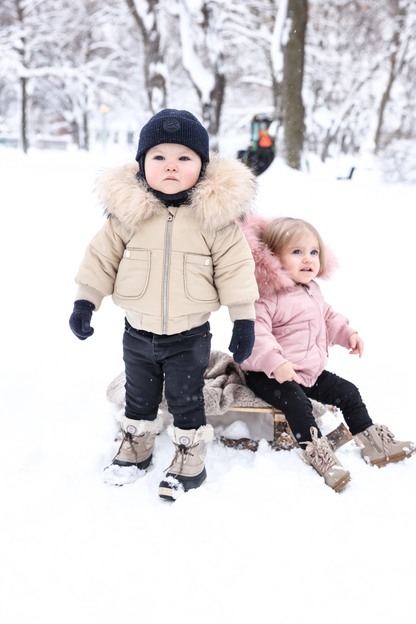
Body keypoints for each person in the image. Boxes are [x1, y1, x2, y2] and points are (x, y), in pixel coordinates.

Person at [69, 109, 259, 500]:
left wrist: (243, 321)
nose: (171, 166)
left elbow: (236, 272)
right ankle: (136, 443)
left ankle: (191, 452)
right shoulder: (128, 216)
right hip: (137, 331)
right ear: (141, 165)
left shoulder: (215, 221)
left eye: (184, 158)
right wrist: (85, 303)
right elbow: (100, 260)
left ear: (203, 168)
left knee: (185, 395)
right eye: (159, 157)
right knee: (139, 392)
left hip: (189, 335)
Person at [240, 215, 415, 492]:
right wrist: (277, 363)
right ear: (273, 258)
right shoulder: (265, 295)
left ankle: (372, 441)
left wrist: (347, 334)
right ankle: (318, 453)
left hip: (307, 370)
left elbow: (328, 317)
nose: (307, 259)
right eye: (296, 252)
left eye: (313, 252)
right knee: (298, 405)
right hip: (268, 374)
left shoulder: (312, 290)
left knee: (348, 391)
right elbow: (257, 336)